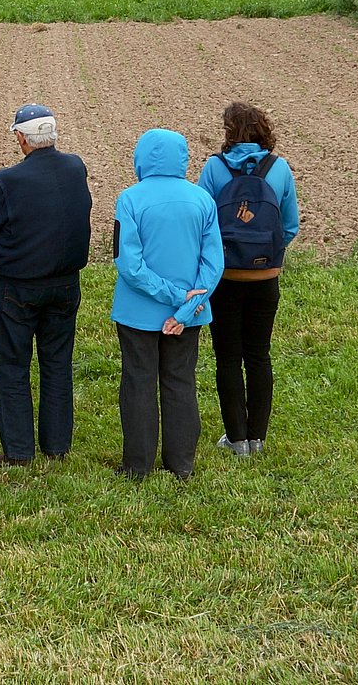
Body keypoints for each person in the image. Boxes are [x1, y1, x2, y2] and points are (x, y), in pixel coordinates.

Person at [0, 103, 92, 466]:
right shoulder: (75, 167)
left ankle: (19, 451)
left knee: (13, 366)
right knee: (57, 363)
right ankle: (56, 446)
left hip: (19, 287)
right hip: (66, 284)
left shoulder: (8, 181)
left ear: (21, 138)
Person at [112, 129, 224, 481]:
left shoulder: (130, 199)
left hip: (138, 313)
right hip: (190, 315)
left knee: (138, 383)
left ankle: (138, 466)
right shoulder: (202, 199)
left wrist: (173, 298)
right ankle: (182, 464)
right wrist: (186, 308)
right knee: (180, 382)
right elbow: (213, 264)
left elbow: (129, 264)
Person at [195, 102, 300, 456]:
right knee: (259, 354)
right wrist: (267, 253)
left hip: (225, 277)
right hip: (265, 275)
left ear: (229, 132)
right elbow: (289, 226)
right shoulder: (280, 168)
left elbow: (202, 223)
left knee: (227, 357)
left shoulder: (213, 167)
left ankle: (236, 438)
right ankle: (258, 437)